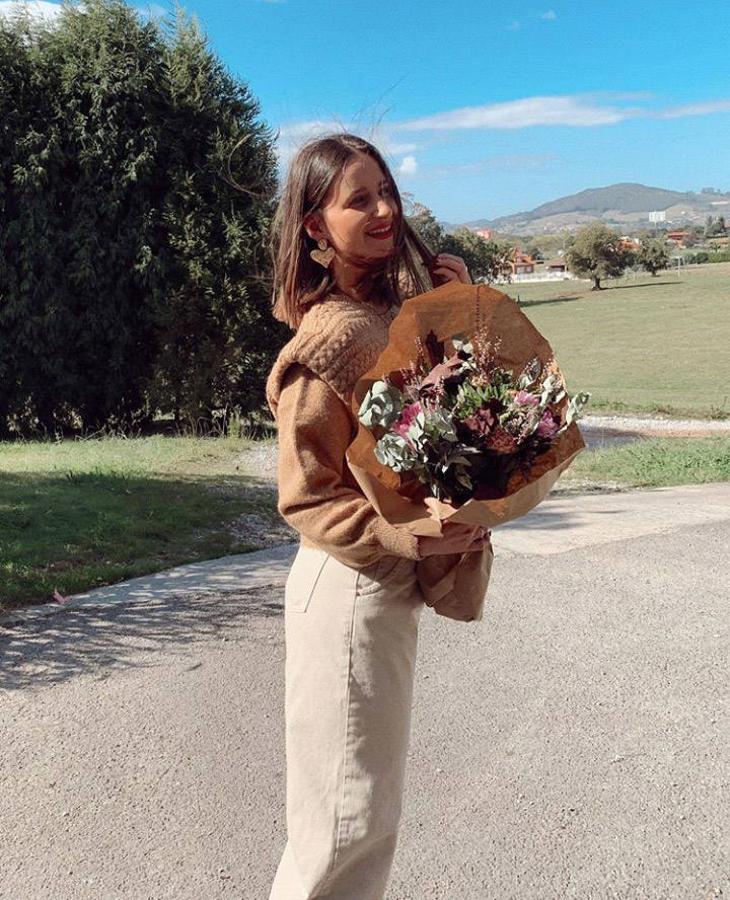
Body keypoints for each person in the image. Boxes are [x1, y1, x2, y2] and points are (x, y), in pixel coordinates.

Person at [265, 132, 491, 900]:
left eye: (387, 190)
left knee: (363, 823)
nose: (386, 208)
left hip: (383, 588)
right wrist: (402, 534)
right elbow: (305, 495)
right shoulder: (328, 338)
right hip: (349, 587)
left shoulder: (392, 316)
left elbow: (450, 420)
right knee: (341, 833)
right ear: (314, 225)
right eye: (358, 198)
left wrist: (456, 311)